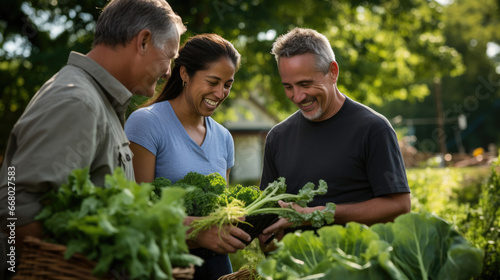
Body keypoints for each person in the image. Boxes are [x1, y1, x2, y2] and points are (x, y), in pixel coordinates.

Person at [0, 0, 185, 278]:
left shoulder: (98, 100)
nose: (169, 71)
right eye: (169, 57)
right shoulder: (77, 100)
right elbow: (13, 201)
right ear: (144, 41)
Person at [258, 27, 411, 248]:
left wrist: (318, 213)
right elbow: (269, 211)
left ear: (333, 72)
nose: (298, 96)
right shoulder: (278, 137)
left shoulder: (373, 129)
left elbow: (399, 206)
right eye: (288, 87)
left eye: (305, 84)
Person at [125, 33, 251, 280]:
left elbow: (218, 208)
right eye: (213, 81)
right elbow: (137, 211)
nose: (220, 92)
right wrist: (198, 231)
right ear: (184, 74)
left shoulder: (224, 137)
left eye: (227, 84)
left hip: (216, 264)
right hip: (163, 263)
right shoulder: (146, 123)